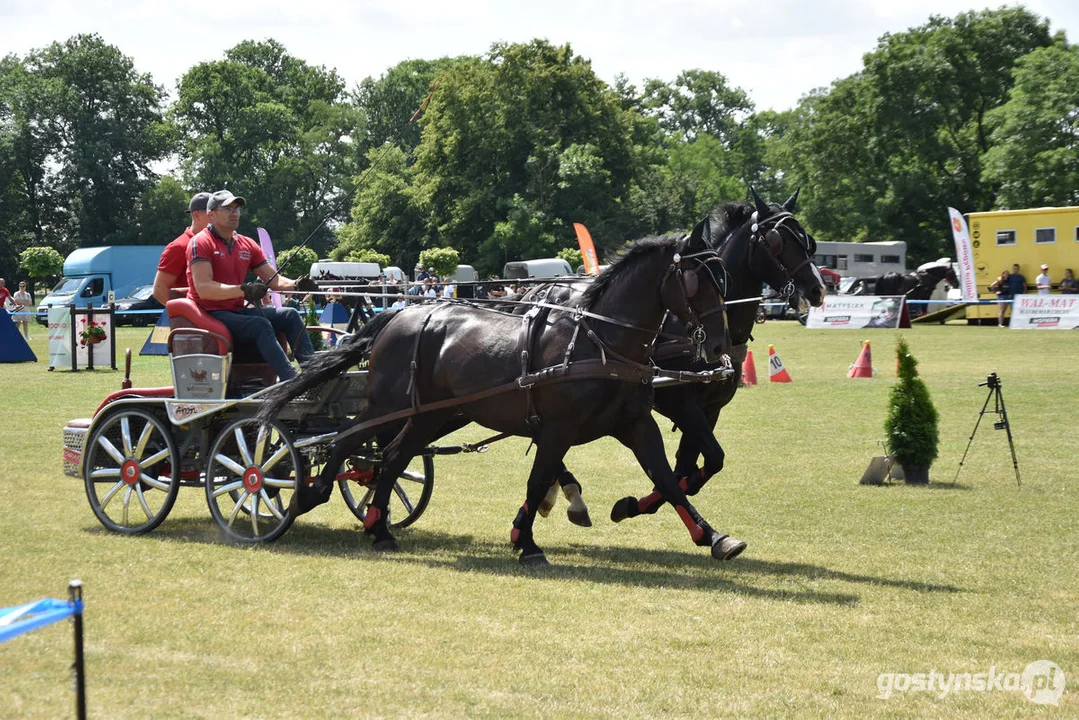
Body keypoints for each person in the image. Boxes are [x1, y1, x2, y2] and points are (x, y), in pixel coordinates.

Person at [187, 190, 316, 381]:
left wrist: (297, 285)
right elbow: (204, 289)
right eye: (228, 208)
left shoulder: (246, 244)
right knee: (259, 325)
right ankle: (292, 382)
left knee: (289, 315)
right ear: (211, 214)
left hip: (236, 311)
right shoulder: (201, 242)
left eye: (237, 208)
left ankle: (315, 376)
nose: (234, 213)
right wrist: (244, 290)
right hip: (211, 313)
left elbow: (275, 281)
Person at [154, 192, 211, 306]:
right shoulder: (178, 247)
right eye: (211, 213)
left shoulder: (219, 243)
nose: (218, 217)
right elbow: (160, 291)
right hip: (195, 321)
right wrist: (190, 315)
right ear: (196, 215)